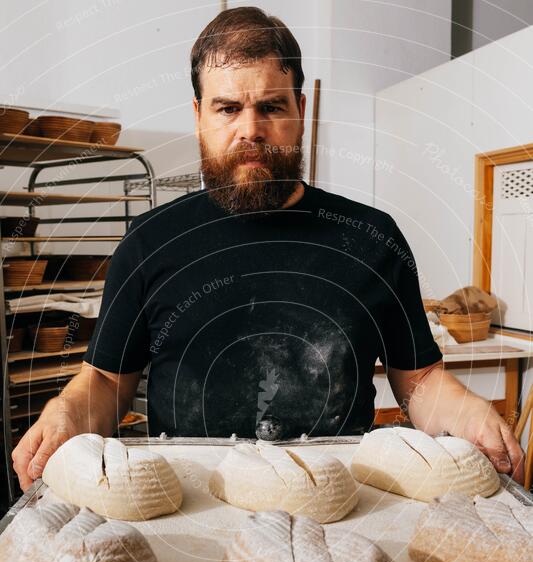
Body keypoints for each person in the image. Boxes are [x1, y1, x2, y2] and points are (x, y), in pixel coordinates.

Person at [12, 5, 524, 491]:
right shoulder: (149, 243)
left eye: (271, 106)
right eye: (227, 108)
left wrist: (465, 412)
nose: (250, 130)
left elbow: (420, 382)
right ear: (198, 116)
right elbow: (105, 379)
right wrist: (67, 414)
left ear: (300, 110)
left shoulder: (370, 238)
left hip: (341, 502)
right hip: (190, 501)